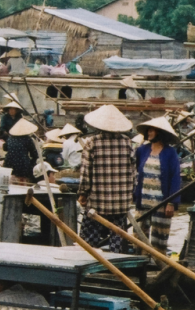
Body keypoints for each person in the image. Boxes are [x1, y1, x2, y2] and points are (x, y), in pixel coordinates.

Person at [78, 104, 136, 254]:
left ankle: (89, 262)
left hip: (98, 201)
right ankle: (115, 264)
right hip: (121, 202)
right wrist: (130, 194)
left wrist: (83, 194)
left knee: (89, 237)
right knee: (117, 236)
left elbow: (85, 174)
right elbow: (133, 173)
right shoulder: (127, 143)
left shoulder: (92, 143)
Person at [133, 117, 182, 257]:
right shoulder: (142, 150)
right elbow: (135, 171)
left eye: (152, 130)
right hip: (143, 201)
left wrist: (172, 202)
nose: (149, 132)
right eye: (148, 130)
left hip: (162, 202)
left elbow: (175, 177)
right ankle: (140, 264)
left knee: (159, 239)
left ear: (159, 133)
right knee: (138, 236)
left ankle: (158, 262)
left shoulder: (170, 152)